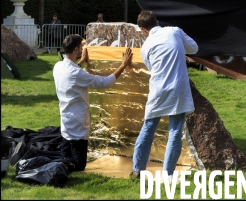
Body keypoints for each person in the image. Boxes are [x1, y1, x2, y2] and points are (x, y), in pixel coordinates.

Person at [131, 10, 198, 180]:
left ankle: (138, 169)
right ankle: (167, 175)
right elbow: (194, 48)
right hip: (178, 88)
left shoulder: (145, 47)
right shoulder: (174, 31)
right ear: (157, 21)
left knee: (148, 128)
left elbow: (152, 67)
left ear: (142, 30)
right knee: (175, 131)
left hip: (159, 89)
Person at [53, 33, 132, 171]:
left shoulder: (58, 66)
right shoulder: (76, 73)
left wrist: (82, 61)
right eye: (82, 46)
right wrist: (123, 65)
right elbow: (105, 82)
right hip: (77, 123)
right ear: (76, 50)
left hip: (66, 120)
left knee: (65, 158)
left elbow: (71, 72)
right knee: (78, 165)